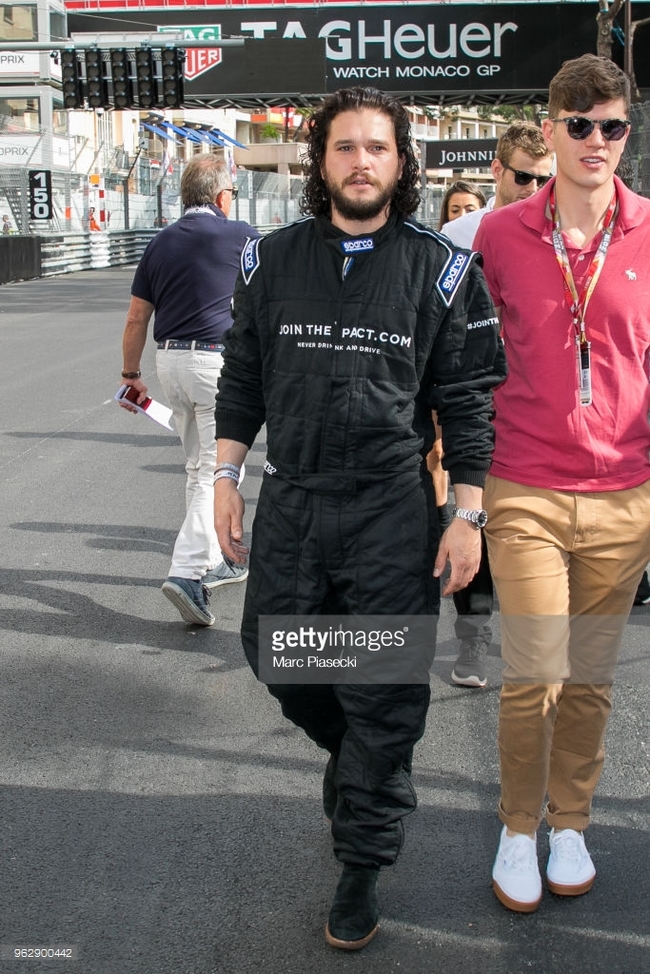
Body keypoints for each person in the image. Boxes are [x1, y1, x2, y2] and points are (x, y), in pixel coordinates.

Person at [213, 86, 507, 950]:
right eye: (345, 147)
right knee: (277, 656)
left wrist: (466, 515)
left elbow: (469, 403)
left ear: (403, 162)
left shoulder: (442, 267)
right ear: (322, 162)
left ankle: (362, 862)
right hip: (294, 499)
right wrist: (225, 476)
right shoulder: (269, 259)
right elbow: (242, 377)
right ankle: (358, 760)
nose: (361, 161)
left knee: (382, 696)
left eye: (378, 147)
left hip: (390, 509)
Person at [473, 54, 650, 913]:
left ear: (627, 132)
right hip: (526, 485)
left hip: (626, 491)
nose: (595, 140)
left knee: (587, 676)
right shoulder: (499, 235)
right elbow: (462, 361)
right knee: (533, 672)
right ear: (550, 130)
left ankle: (569, 822)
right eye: (577, 125)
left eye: (610, 125)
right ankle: (516, 829)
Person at [119, 157, 259, 626]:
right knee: (215, 472)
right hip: (217, 362)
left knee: (197, 466)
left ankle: (206, 563)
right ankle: (185, 573)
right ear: (222, 197)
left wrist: (130, 373)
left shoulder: (159, 242)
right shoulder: (241, 235)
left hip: (169, 362)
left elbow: (138, 317)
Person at [441, 122, 554, 689]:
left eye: (542, 178)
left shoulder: (563, 233)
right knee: (474, 517)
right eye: (521, 176)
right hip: (476, 403)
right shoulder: (458, 234)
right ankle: (474, 641)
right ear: (496, 170)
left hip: (538, 410)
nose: (532, 187)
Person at [426, 181, 488, 546]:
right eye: (455, 209)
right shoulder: (442, 249)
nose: (463, 215)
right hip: (442, 358)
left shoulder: (493, 236)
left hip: (478, 359)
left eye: (470, 208)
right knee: (437, 448)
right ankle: (441, 517)